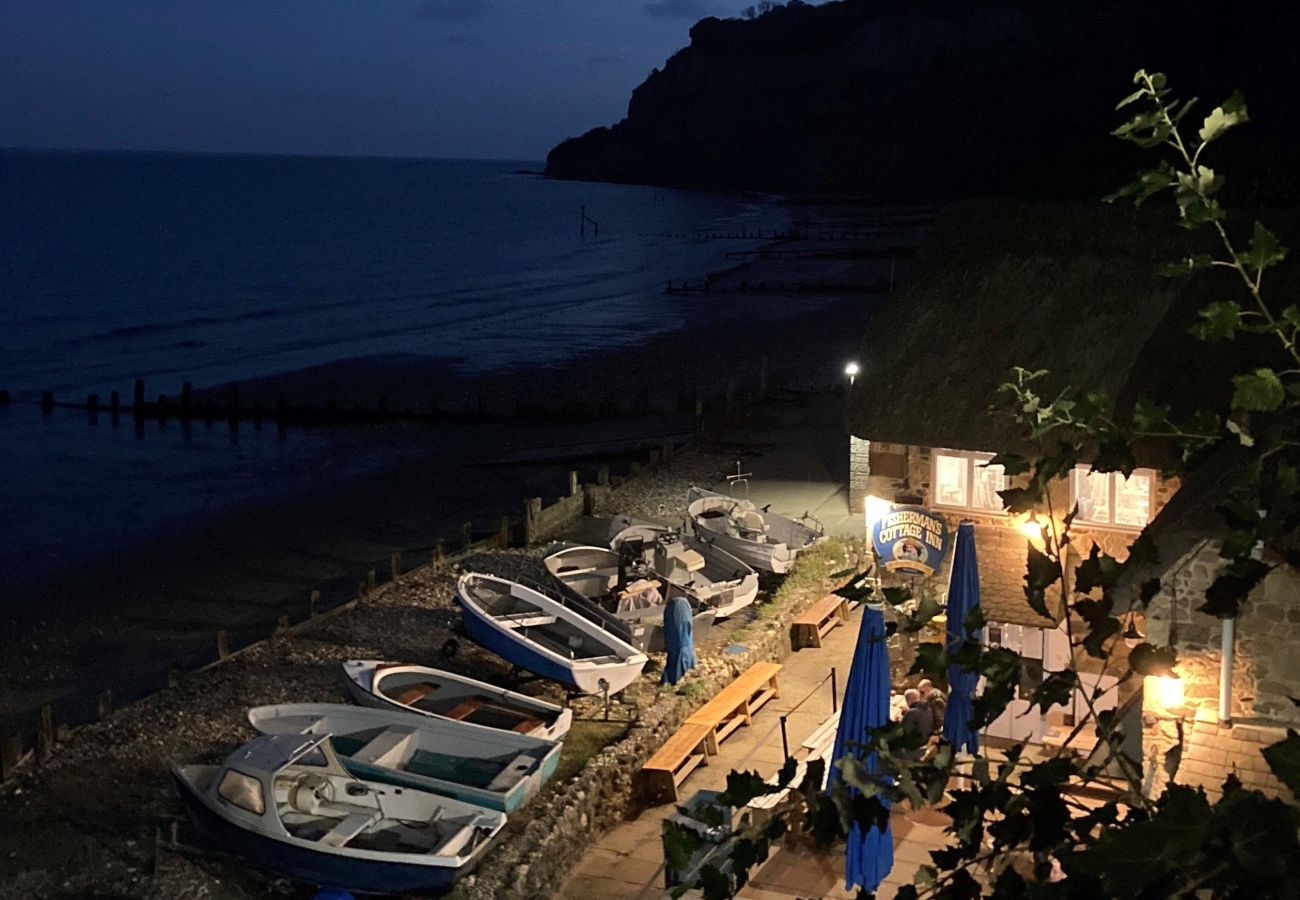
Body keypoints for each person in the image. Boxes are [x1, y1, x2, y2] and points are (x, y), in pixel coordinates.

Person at [899, 688, 934, 758]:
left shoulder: (911, 713)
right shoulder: (928, 709)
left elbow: (902, 732)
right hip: (926, 743)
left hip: (915, 747)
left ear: (908, 700)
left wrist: (901, 720)